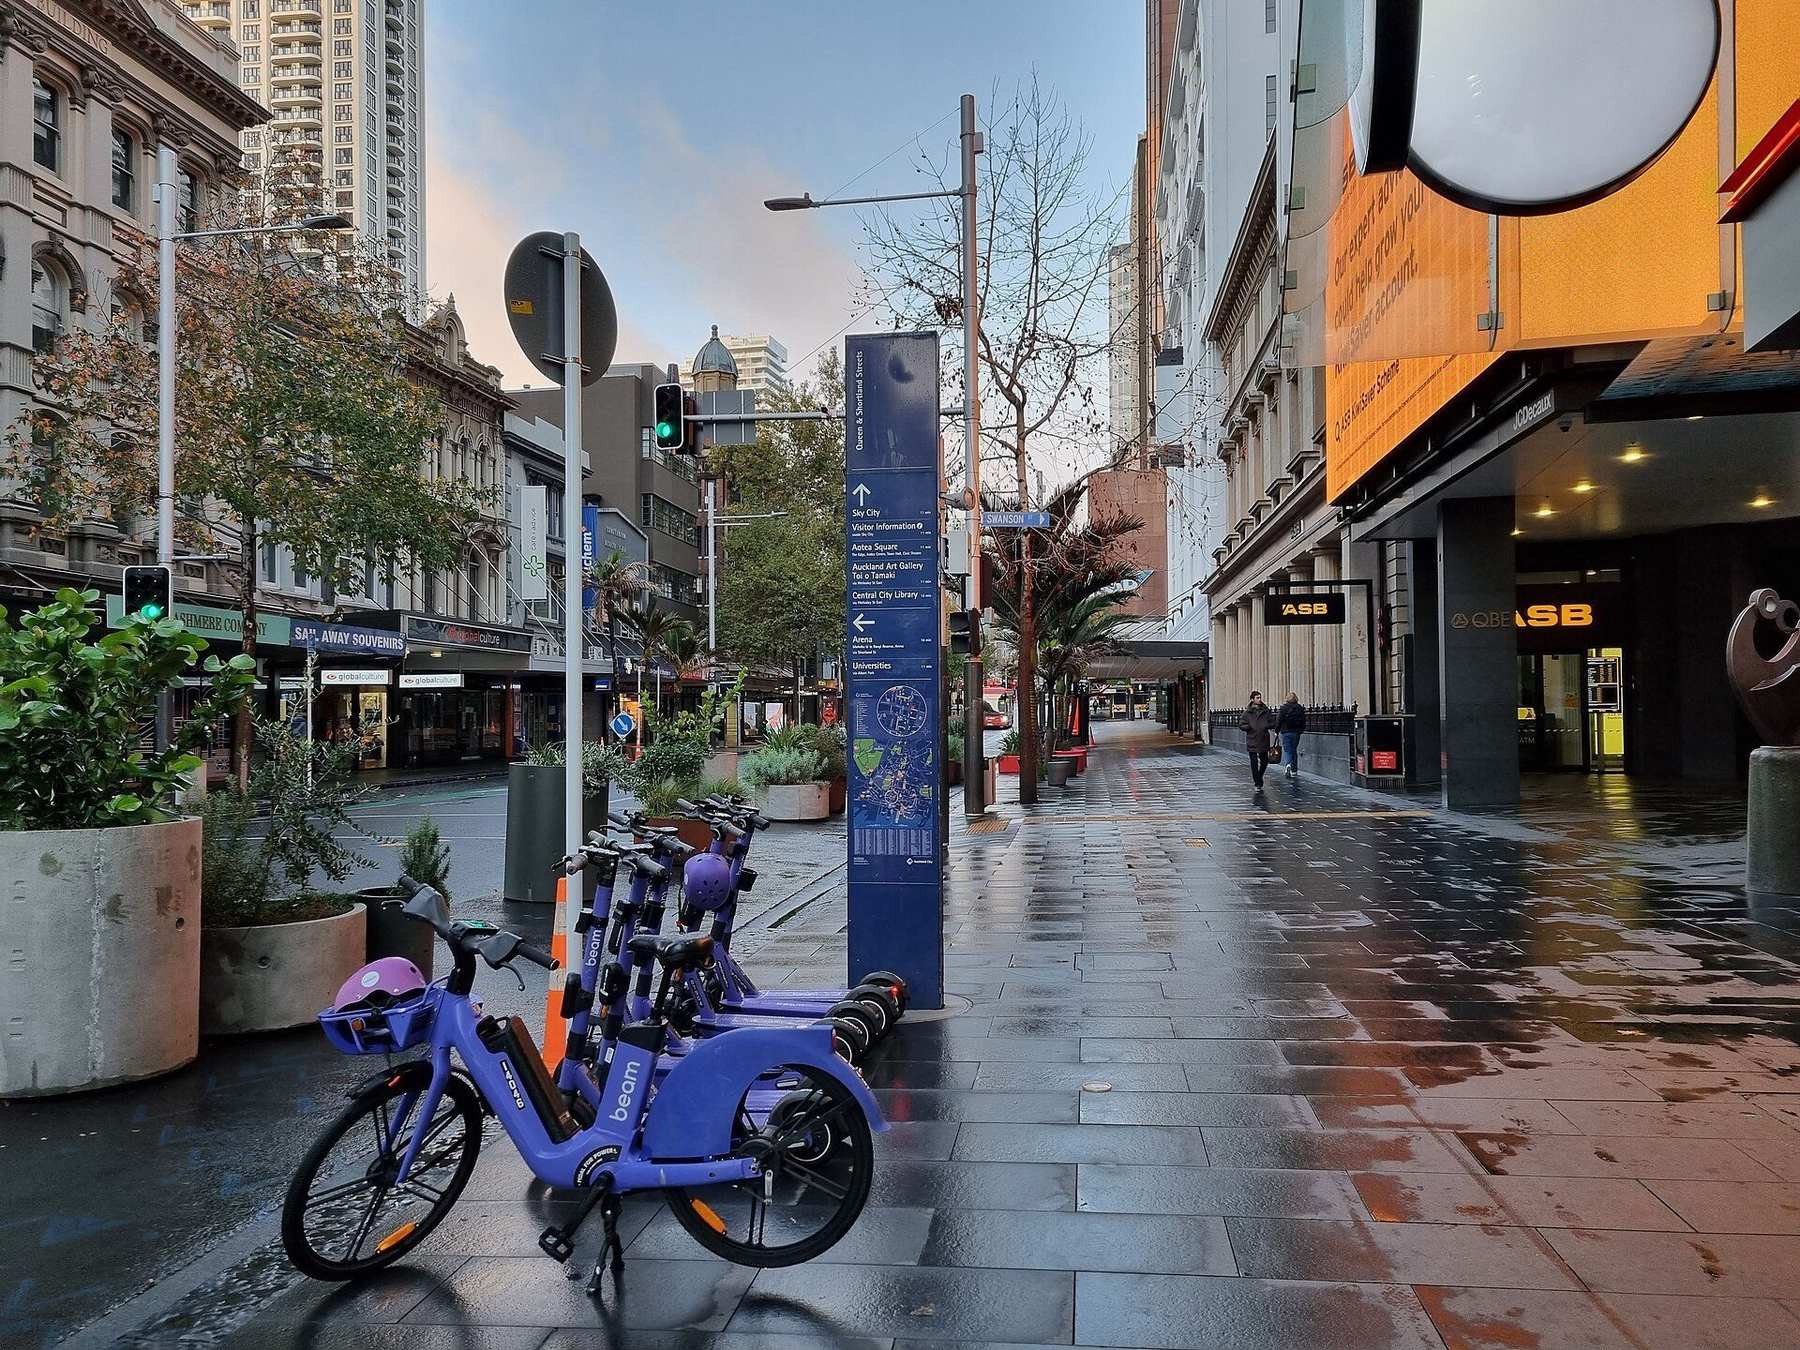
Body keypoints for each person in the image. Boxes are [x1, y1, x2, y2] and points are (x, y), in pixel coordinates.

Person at [1240, 691, 1276, 790]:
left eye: (1260, 697)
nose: (1259, 699)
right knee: (1254, 762)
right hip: (1252, 739)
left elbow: (1272, 722)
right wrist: (1249, 727)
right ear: (1252, 699)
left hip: (1263, 738)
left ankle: (1259, 777)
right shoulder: (1247, 712)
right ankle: (1257, 782)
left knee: (1264, 761)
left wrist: (1266, 726)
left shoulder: (1266, 711)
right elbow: (1241, 725)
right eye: (1257, 698)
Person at [1277, 691, 1308, 779]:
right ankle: (1294, 771)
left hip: (1286, 732)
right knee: (1294, 750)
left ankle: (1288, 765)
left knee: (1287, 750)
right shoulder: (1300, 708)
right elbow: (1303, 721)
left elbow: (1279, 721)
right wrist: (1301, 730)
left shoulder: (1283, 708)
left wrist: (1277, 730)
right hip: (1296, 732)